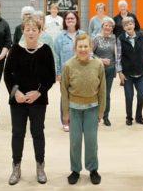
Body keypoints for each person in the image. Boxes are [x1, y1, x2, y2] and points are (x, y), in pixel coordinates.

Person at [4, 18, 56, 185]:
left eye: (34, 29)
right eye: (28, 29)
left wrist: (39, 92)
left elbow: (51, 76)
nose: (31, 32)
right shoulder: (15, 49)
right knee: (18, 133)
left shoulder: (46, 50)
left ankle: (40, 166)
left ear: (40, 32)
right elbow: (7, 75)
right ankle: (16, 167)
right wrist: (16, 92)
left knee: (37, 133)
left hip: (38, 101)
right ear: (23, 31)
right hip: (18, 100)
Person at [61, 33, 106, 185]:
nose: (83, 49)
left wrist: (101, 111)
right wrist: (65, 112)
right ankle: (75, 170)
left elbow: (102, 90)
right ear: (75, 48)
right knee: (75, 142)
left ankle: (93, 169)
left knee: (91, 142)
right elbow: (64, 91)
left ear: (90, 47)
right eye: (80, 46)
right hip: (74, 110)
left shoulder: (98, 65)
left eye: (86, 46)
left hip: (92, 109)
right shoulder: (68, 65)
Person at [116, 16, 143, 126]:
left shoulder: (141, 36)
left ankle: (139, 116)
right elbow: (118, 57)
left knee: (141, 95)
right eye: (126, 25)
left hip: (140, 72)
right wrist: (120, 72)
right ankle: (129, 117)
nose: (128, 26)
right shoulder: (120, 38)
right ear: (123, 27)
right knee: (129, 97)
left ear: (134, 25)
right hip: (127, 74)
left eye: (130, 24)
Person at [54, 11, 85, 132]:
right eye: (68, 18)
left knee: (80, 96)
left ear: (76, 20)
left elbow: (89, 52)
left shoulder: (83, 35)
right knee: (65, 97)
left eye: (72, 18)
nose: (70, 20)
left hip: (82, 71)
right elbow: (56, 56)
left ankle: (79, 121)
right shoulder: (60, 37)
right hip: (65, 73)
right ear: (65, 21)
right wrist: (58, 73)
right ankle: (66, 121)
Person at [92, 17, 117, 126]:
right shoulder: (96, 38)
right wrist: (101, 60)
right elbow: (90, 53)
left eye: (110, 26)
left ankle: (106, 116)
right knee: (96, 93)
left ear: (112, 28)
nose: (108, 27)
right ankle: (95, 116)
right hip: (98, 70)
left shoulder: (114, 38)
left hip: (110, 70)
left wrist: (116, 69)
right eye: (106, 25)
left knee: (107, 94)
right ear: (102, 26)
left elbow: (116, 54)